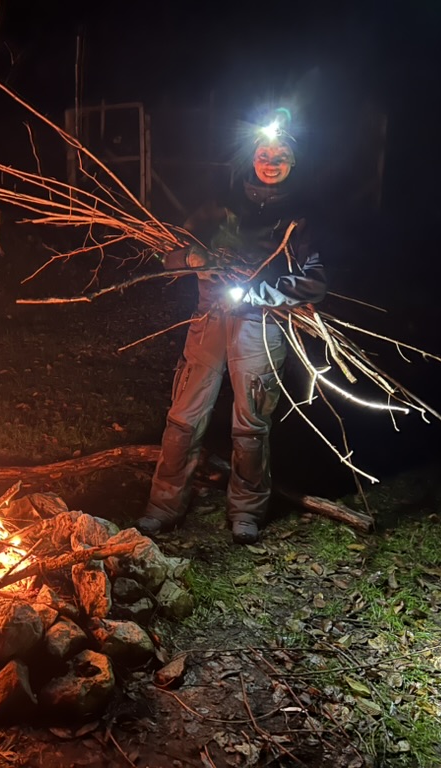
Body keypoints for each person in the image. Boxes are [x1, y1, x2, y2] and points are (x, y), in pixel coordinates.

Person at [136, 112, 327, 545]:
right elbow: (165, 253)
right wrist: (191, 259)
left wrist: (261, 291)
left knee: (251, 424)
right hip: (210, 320)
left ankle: (246, 510)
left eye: (281, 156)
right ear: (252, 156)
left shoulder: (300, 217)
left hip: (261, 327)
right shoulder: (220, 203)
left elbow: (316, 281)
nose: (271, 161)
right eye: (264, 153)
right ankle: (162, 505)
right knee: (184, 416)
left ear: (293, 163)